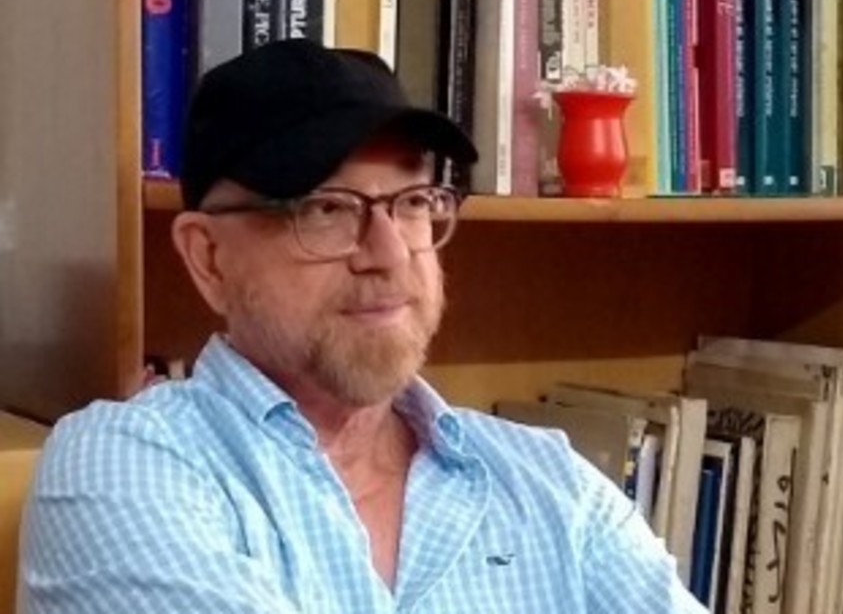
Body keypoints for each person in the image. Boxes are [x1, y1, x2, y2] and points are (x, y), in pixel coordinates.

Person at [17, 39, 705, 613]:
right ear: (209, 258)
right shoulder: (121, 466)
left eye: (413, 202)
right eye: (326, 209)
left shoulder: (551, 481)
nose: (390, 253)